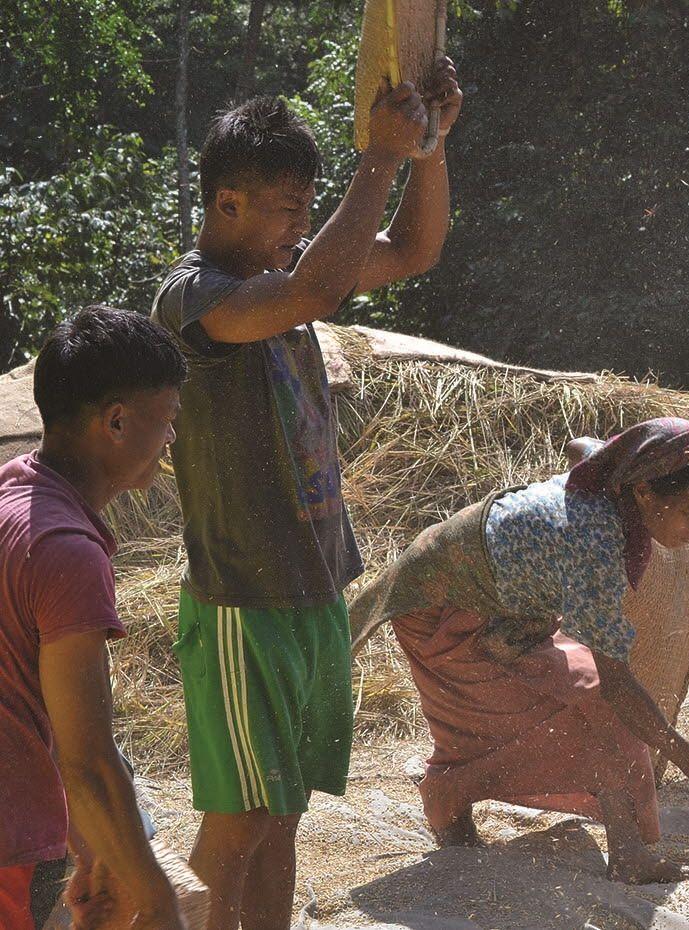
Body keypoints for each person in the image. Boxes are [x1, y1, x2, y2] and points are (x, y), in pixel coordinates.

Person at [149, 63, 463, 930]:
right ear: (227, 204)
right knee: (240, 821)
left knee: (282, 817)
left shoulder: (286, 275)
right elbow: (314, 289)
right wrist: (379, 157)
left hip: (313, 588)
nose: (301, 229)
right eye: (289, 211)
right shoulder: (195, 298)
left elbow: (415, 250)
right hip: (243, 601)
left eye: (306, 210)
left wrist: (428, 145)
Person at [345, 418, 689, 883]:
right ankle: (451, 804)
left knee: (590, 702)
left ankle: (625, 852)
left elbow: (580, 446)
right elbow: (617, 686)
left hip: (506, 605)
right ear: (644, 492)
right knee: (527, 719)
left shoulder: (612, 477)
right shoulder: (595, 543)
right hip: (442, 604)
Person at [0, 307, 188, 930]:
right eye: (167, 419)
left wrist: (93, 847)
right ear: (116, 421)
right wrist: (157, 902)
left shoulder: (12, 494)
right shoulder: (68, 552)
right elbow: (88, 762)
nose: (171, 438)